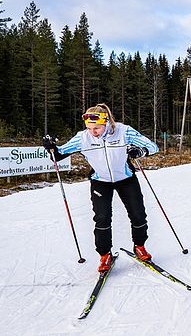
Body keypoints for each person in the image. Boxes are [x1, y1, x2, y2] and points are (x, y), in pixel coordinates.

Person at [42, 103, 159, 273]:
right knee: (102, 218)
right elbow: (58, 155)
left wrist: (140, 151)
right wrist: (51, 147)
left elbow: (152, 147)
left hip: (125, 178)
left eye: (96, 128)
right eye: (89, 128)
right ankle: (105, 255)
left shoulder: (123, 131)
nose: (93, 132)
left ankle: (139, 246)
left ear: (107, 123)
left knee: (138, 213)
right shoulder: (83, 137)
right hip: (100, 181)